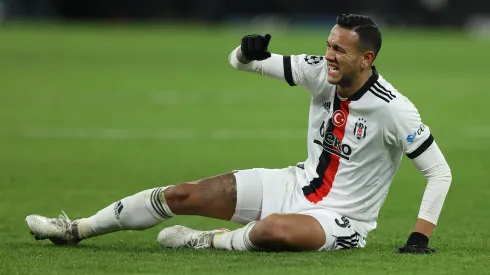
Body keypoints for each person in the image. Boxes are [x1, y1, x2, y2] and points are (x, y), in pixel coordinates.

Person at [26, 14, 452, 253]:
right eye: (328, 45)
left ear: (367, 58)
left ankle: (208, 241)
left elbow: (439, 173)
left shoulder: (394, 109)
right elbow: (243, 64)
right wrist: (245, 51)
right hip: (293, 183)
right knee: (181, 195)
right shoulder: (319, 71)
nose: (329, 56)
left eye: (340, 50)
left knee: (274, 231)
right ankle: (75, 230)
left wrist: (419, 238)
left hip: (342, 220)